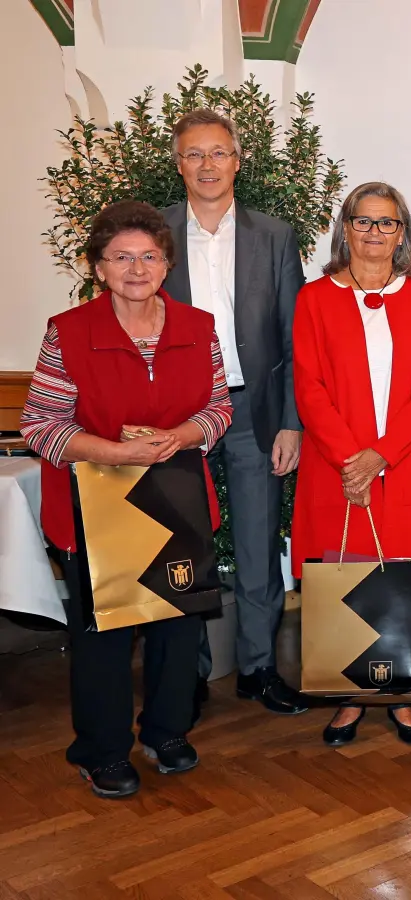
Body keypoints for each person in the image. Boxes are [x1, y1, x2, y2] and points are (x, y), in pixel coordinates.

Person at [20, 200, 234, 797]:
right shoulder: (69, 332)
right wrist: (115, 453)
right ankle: (102, 749)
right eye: (121, 257)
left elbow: (218, 409)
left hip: (176, 497)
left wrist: (178, 437)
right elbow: (40, 425)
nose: (136, 268)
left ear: (166, 264)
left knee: (176, 624)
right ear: (98, 267)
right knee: (105, 635)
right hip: (95, 504)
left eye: (148, 256)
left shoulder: (199, 328)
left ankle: (165, 732)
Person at [291, 182, 411, 747]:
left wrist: (381, 454)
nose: (375, 233)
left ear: (403, 233)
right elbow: (308, 388)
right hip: (334, 463)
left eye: (387, 223)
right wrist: (350, 458)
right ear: (345, 228)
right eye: (364, 221)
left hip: (404, 460)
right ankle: (348, 699)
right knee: (347, 571)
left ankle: (398, 697)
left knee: (400, 574)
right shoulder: (314, 298)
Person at [161, 109, 308, 720]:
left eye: (218, 153)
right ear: (179, 164)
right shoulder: (156, 234)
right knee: (182, 546)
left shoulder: (274, 234)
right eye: (194, 154)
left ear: (238, 161)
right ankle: (186, 675)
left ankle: (257, 668)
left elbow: (295, 335)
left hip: (256, 410)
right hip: (180, 414)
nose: (207, 166)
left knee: (255, 542)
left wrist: (292, 421)